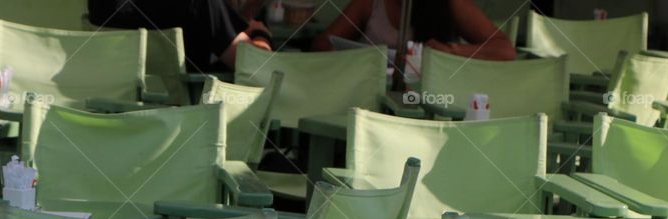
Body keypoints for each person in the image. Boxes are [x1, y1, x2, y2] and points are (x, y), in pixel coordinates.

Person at [88, 0, 273, 72]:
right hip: (186, 124)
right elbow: (256, 67)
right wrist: (260, 34)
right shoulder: (201, 5)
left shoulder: (102, 5)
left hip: (113, 118)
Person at [312, 0, 516, 61]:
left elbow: (505, 50)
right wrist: (362, 59)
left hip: (429, 100)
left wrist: (451, 51)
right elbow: (323, 43)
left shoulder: (452, 5)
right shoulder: (370, 3)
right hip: (370, 98)